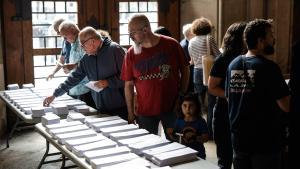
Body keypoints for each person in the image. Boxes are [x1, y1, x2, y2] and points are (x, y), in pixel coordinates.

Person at [225, 19, 290, 169]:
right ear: (261, 41)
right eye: (271, 35)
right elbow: (286, 105)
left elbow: (230, 98)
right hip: (264, 142)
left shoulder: (233, 64)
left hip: (239, 140)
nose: (274, 39)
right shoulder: (269, 68)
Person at [121, 14, 190, 138]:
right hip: (145, 111)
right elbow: (128, 85)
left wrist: (182, 94)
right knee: (149, 148)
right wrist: (130, 113)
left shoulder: (171, 44)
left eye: (133, 32)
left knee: (175, 146)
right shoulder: (131, 54)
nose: (130, 36)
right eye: (129, 32)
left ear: (146, 29)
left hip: (172, 107)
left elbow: (185, 69)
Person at [43, 26, 127, 119]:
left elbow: (128, 77)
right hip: (100, 107)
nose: (82, 48)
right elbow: (73, 78)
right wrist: (54, 95)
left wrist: (108, 82)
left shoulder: (114, 49)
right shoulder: (86, 58)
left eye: (83, 45)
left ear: (92, 41)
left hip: (121, 107)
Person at [208, 22, 247, 169]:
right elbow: (212, 87)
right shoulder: (224, 59)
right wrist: (232, 97)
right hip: (225, 112)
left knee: (241, 157)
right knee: (224, 158)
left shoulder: (250, 58)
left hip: (243, 113)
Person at [188, 17, 220, 138]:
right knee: (211, 103)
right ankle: (210, 132)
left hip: (196, 72)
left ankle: (197, 129)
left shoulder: (191, 41)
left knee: (197, 104)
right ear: (207, 27)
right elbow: (218, 55)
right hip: (209, 71)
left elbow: (192, 60)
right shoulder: (209, 38)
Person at [168, 93, 209, 159]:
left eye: (191, 106)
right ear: (180, 106)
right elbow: (177, 137)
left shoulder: (200, 121)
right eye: (184, 106)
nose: (187, 109)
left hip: (198, 155)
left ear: (196, 106)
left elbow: (206, 138)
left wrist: (195, 137)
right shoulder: (179, 121)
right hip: (182, 153)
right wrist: (171, 133)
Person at [180, 23, 195, 93]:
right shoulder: (185, 45)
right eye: (194, 32)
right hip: (189, 74)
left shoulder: (185, 42)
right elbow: (186, 64)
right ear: (190, 34)